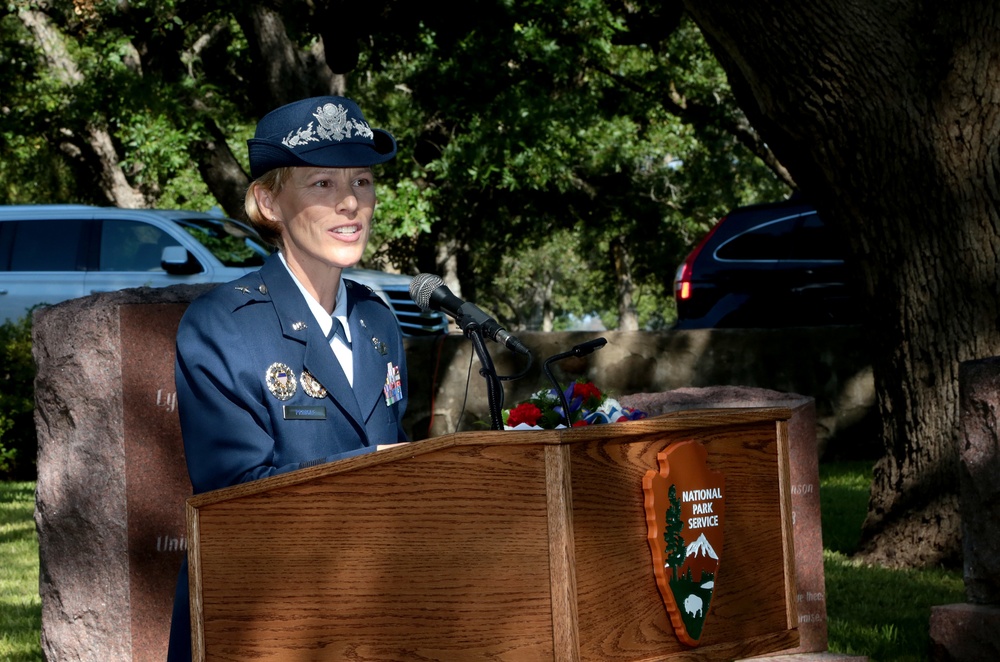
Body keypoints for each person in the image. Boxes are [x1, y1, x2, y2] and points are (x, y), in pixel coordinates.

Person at [166, 95, 409, 661]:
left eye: (364, 181)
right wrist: (387, 468)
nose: (351, 202)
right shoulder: (222, 324)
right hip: (262, 620)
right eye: (322, 183)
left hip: (373, 615)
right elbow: (237, 495)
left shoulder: (378, 319)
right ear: (268, 201)